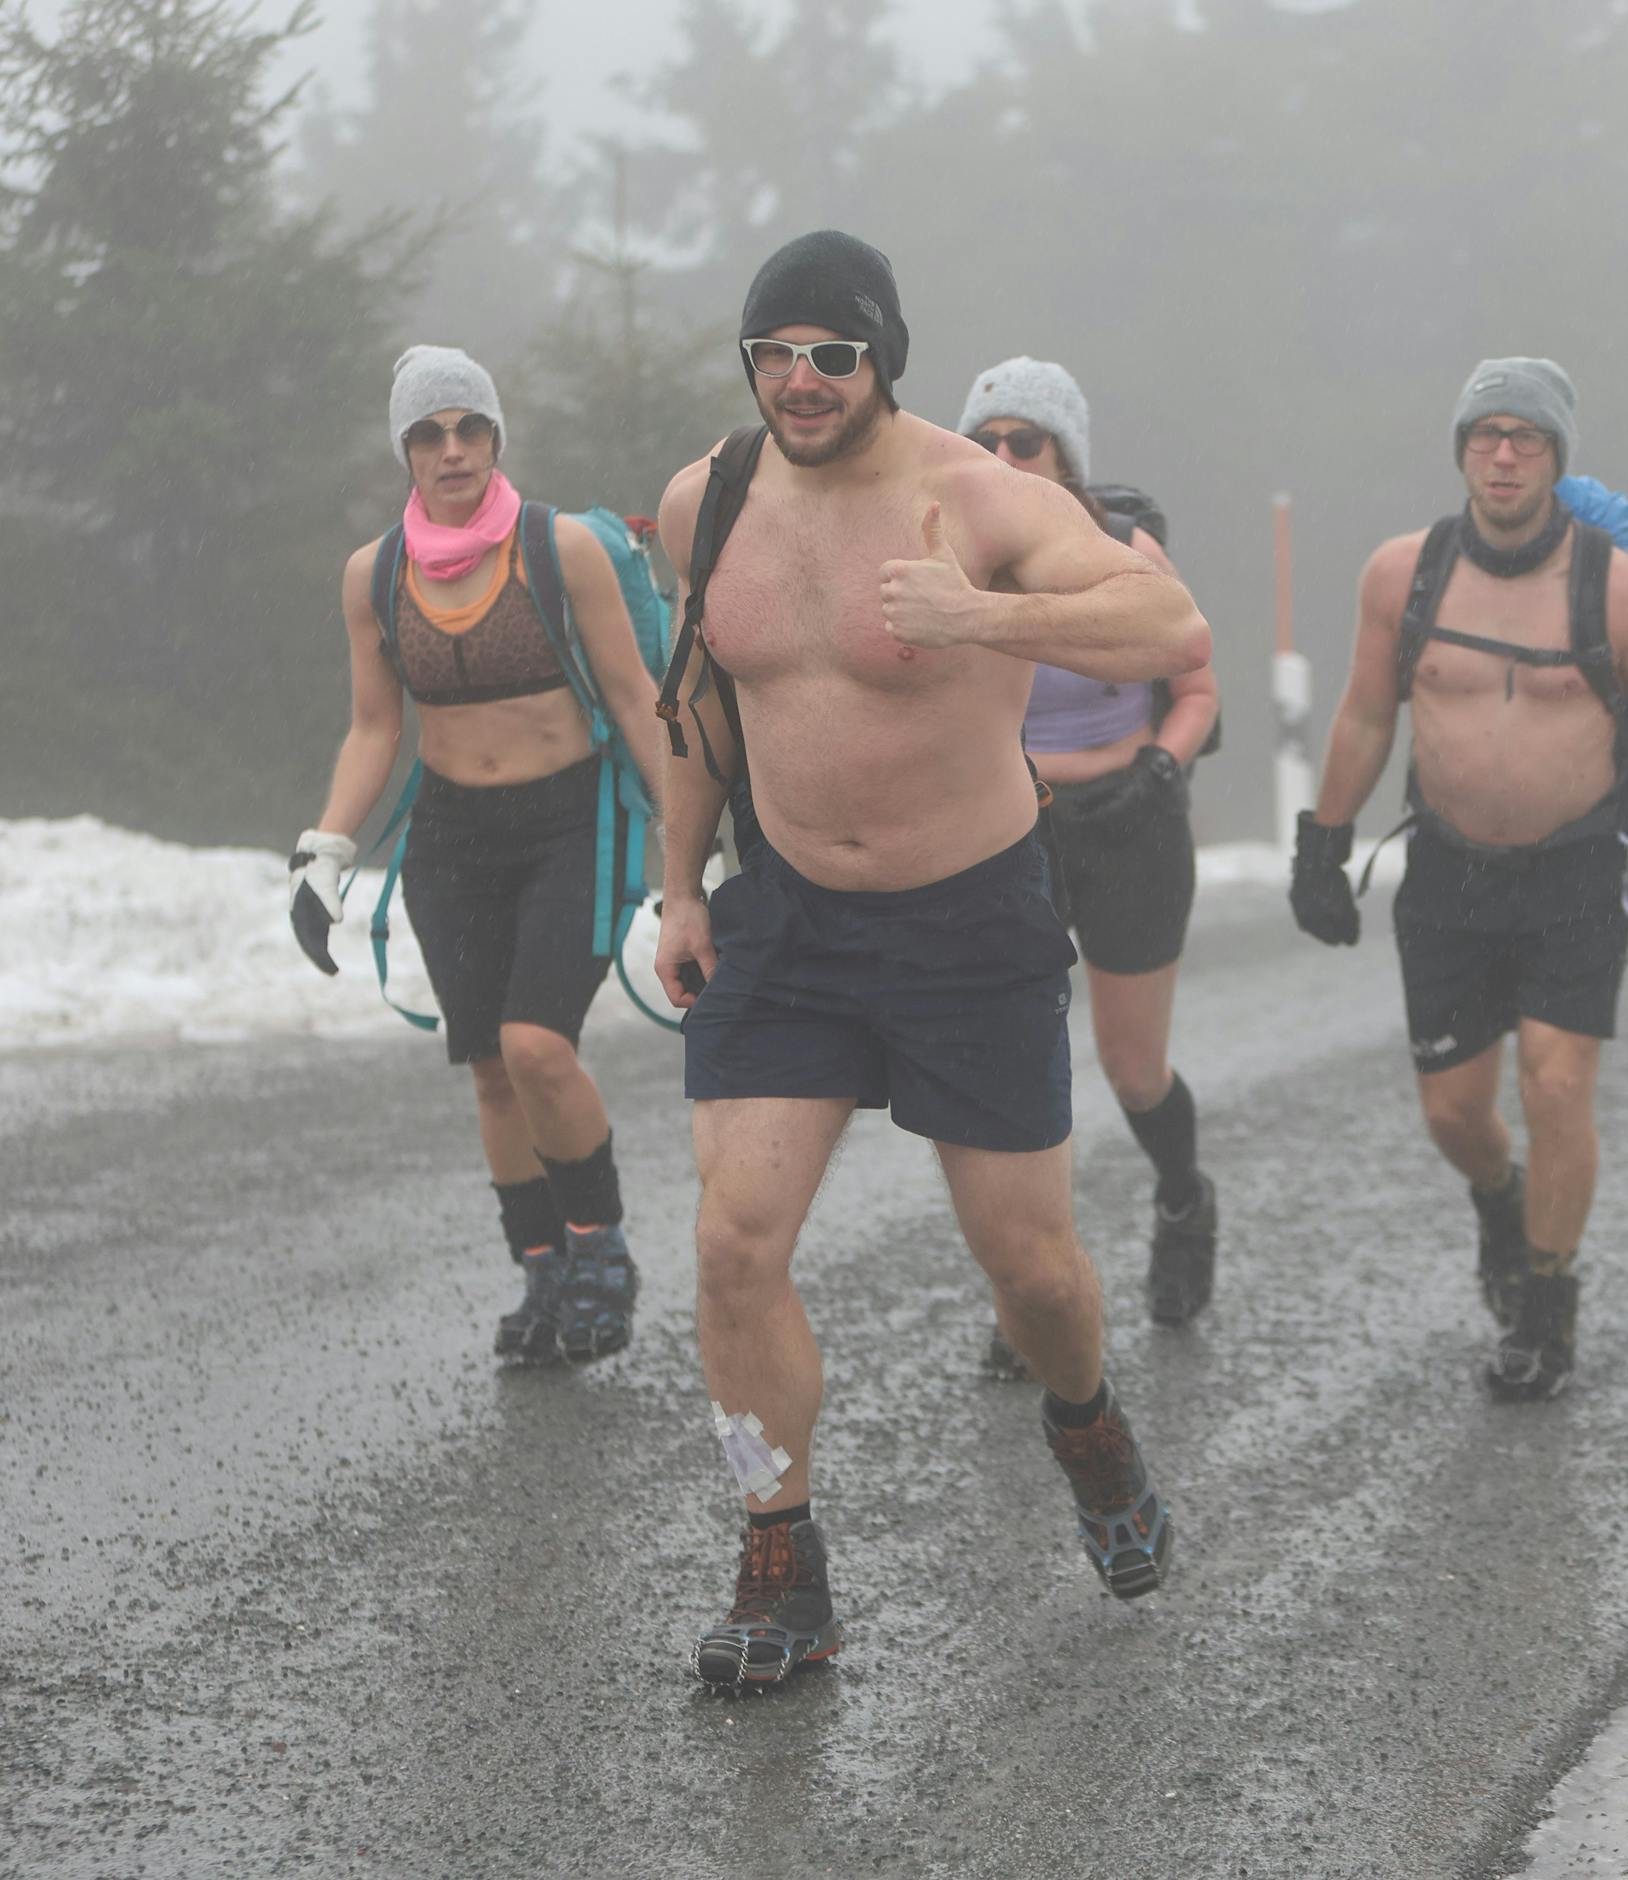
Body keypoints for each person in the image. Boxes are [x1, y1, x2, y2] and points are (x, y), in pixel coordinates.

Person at [653, 231, 1210, 1689]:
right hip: (783, 917)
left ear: (883, 356)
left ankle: (1086, 1419)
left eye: (831, 354)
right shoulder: (704, 503)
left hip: (967, 921)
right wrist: (679, 890)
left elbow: (1169, 620)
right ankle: (783, 1568)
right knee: (731, 1244)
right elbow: (696, 707)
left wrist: (984, 615)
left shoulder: (979, 495)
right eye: (772, 355)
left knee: (1029, 1273)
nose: (800, 381)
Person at [1290, 358, 1628, 1401]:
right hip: (1448, 876)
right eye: (1484, 434)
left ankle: (1544, 1305)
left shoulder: (1620, 590)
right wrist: (1319, 846)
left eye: (1527, 438)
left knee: (1555, 1082)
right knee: (1454, 1112)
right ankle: (1499, 1201)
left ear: (1555, 457)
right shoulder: (1400, 575)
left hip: (1572, 876)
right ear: (1460, 448)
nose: (1502, 454)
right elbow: (1366, 715)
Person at [288, 346, 668, 1363]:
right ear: (404, 450)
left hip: (567, 820)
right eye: (428, 432)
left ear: (495, 437)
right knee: (492, 1067)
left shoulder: (559, 550)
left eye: (469, 428)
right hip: (451, 835)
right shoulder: (375, 575)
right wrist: (324, 851)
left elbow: (635, 698)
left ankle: (601, 1252)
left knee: (540, 1045)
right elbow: (375, 728)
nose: (451, 450)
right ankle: (541, 1270)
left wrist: (694, 850)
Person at [956, 357, 1222, 1344]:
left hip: (1128, 817)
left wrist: (1161, 764)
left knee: (1129, 1064)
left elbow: (1195, 684)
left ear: (1065, 457)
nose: (1002, 458)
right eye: (982, 442)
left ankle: (1182, 1199)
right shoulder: (956, 558)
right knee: (1009, 1070)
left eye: (1023, 441)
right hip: (1008, 823)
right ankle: (1030, 1288)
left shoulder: (1123, 553)